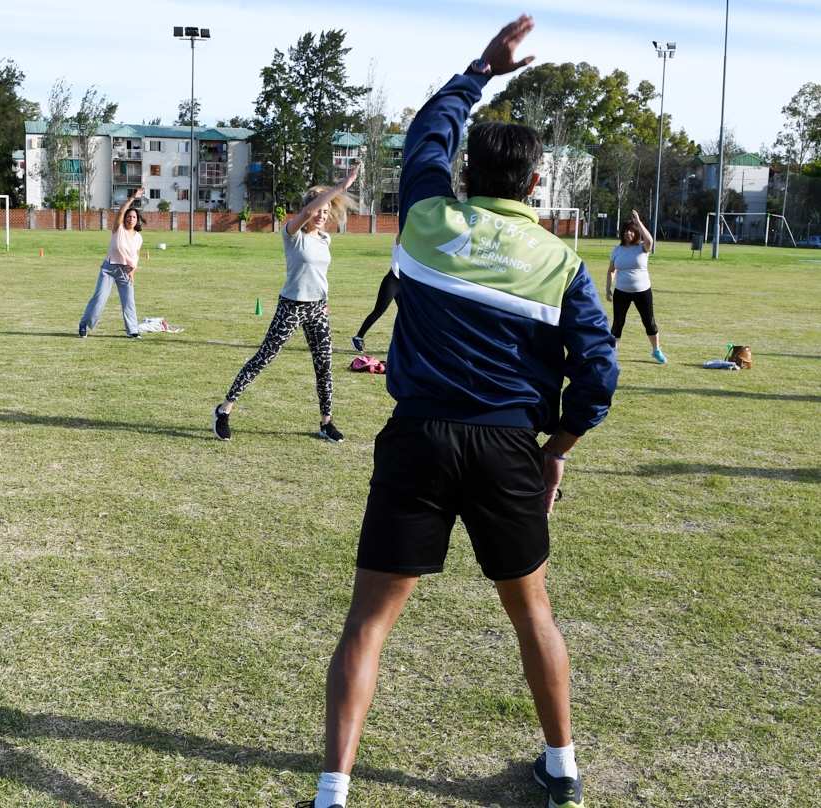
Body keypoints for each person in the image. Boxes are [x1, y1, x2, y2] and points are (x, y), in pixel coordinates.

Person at [298, 16, 618, 808]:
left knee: (368, 622)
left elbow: (426, 132)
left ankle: (333, 793)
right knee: (531, 612)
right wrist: (559, 448)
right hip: (510, 445)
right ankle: (562, 767)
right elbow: (600, 372)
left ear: (463, 173)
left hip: (417, 439)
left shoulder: (426, 219)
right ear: (537, 186)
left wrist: (482, 68)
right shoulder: (564, 263)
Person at [212, 162, 359, 443]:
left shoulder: (326, 239)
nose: (321, 216)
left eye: (326, 212)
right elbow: (305, 213)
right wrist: (340, 187)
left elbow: (319, 274)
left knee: (324, 364)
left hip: (317, 307)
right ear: (309, 209)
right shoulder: (292, 235)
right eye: (318, 210)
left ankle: (326, 422)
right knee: (264, 358)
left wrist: (325, 301)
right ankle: (224, 410)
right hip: (291, 307)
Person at [78, 188, 145, 339]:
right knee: (99, 299)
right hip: (109, 269)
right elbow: (121, 212)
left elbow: (136, 256)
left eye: (134, 217)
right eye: (129, 216)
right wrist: (132, 199)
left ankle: (132, 330)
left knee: (129, 302)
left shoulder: (138, 238)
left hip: (125, 272)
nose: (130, 219)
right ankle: (84, 324)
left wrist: (132, 272)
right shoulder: (118, 228)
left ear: (137, 220)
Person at [606, 210, 666, 363]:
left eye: (632, 231)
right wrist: (608, 289)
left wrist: (638, 222)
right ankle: (613, 354)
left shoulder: (642, 248)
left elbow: (650, 241)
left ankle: (656, 350)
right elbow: (611, 271)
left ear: (636, 233)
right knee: (618, 322)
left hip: (643, 291)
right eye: (626, 231)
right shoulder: (617, 250)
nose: (628, 233)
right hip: (621, 292)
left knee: (649, 321)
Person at [350, 240, 401, 353]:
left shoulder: (415, 247)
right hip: (392, 281)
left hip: (406, 283)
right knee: (379, 310)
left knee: (407, 315)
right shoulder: (401, 240)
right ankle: (358, 337)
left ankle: (404, 344)